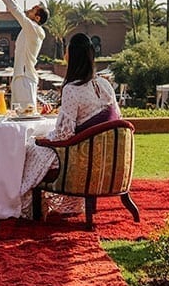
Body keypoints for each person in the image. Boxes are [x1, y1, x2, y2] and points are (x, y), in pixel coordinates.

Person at [20, 32, 121, 216]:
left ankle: (34, 208)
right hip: (106, 158)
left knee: (29, 149)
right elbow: (116, 121)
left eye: (66, 52)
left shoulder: (72, 89)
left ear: (72, 56)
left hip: (82, 159)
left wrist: (42, 140)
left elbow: (63, 135)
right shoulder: (105, 85)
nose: (64, 55)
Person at [0, 0, 48, 110]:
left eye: (33, 9)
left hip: (25, 78)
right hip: (20, 77)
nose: (29, 9)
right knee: (16, 116)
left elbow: (18, 13)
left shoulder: (35, 30)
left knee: (25, 117)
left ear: (37, 18)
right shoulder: (30, 28)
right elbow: (19, 14)